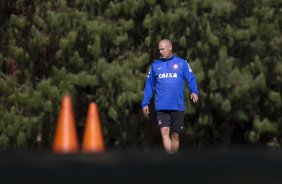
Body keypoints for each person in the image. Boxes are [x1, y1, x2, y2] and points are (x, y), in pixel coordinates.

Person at [141, 39, 199, 154]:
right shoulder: (155, 66)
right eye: (159, 50)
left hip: (177, 105)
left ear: (170, 48)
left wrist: (194, 91)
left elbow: (191, 78)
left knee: (175, 135)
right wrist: (145, 102)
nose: (161, 52)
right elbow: (149, 85)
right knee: (164, 132)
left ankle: (174, 159)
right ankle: (170, 158)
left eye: (163, 49)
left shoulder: (182, 63)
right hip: (161, 106)